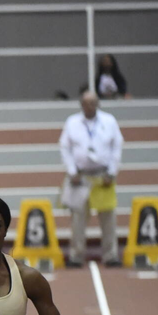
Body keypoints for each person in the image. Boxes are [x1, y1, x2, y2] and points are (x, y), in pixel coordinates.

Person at [60, 90, 124, 267]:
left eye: (93, 103)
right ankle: (76, 256)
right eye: (86, 103)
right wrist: (72, 171)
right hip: (80, 177)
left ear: (98, 104)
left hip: (103, 176)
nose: (90, 106)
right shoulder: (72, 122)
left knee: (108, 218)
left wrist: (112, 172)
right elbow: (65, 147)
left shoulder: (109, 121)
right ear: (81, 105)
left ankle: (111, 255)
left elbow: (117, 146)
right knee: (77, 219)